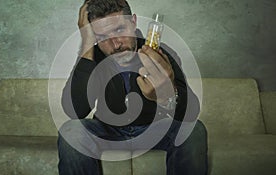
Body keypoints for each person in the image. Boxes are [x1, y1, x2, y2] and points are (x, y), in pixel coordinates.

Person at [58, 0, 208, 174]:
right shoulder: (92, 57)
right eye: (102, 37)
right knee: (71, 131)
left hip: (153, 129)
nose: (115, 44)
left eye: (119, 30)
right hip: (107, 130)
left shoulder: (159, 53)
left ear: (133, 21)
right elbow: (75, 111)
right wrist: (86, 42)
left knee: (193, 130)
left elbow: (191, 112)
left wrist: (166, 96)